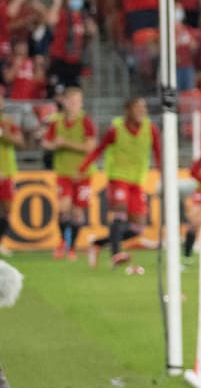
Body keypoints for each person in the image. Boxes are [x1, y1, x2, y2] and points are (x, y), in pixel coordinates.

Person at [78, 97, 160, 272]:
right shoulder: (116, 129)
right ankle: (116, 255)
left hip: (137, 180)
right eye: (137, 108)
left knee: (137, 228)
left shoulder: (150, 129)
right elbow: (99, 149)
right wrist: (84, 167)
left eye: (143, 108)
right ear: (127, 111)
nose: (141, 111)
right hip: (118, 177)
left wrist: (162, 171)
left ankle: (97, 244)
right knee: (119, 215)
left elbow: (158, 151)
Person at [41, 86, 96, 259]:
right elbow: (46, 143)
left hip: (83, 174)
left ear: (81, 103)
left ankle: (71, 247)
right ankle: (62, 242)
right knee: (63, 208)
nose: (73, 104)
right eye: (70, 101)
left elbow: (90, 147)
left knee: (78, 212)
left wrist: (64, 143)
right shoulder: (56, 121)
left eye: (77, 101)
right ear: (64, 102)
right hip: (63, 172)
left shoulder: (86, 121)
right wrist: (54, 145)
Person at [0, 99, 21, 258]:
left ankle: (1, 243)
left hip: (6, 172)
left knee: (7, 209)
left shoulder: (7, 122)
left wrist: (2, 133)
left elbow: (20, 142)